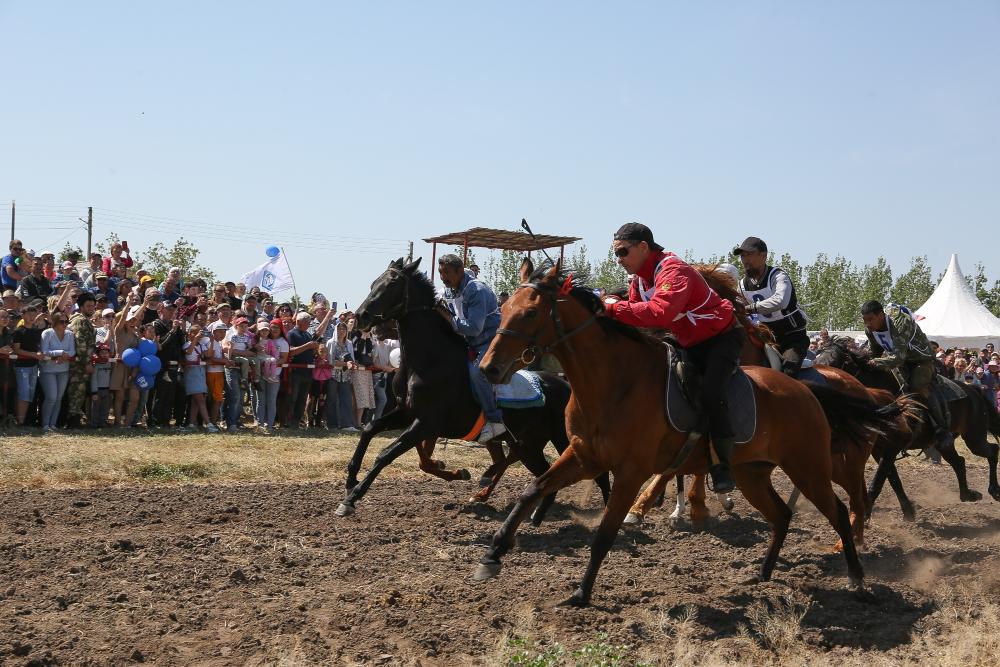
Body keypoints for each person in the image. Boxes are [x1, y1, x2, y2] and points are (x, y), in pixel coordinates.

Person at [604, 223, 739, 492]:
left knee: (712, 392)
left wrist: (611, 307)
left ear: (643, 247)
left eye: (622, 252)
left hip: (719, 341)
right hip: (688, 341)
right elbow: (634, 313)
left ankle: (721, 464)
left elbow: (659, 313)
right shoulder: (641, 280)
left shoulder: (673, 270)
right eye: (616, 254)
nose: (619, 260)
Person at [861, 300, 952, 451]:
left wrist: (874, 362)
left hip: (922, 359)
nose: (868, 324)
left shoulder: (899, 323)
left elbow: (898, 357)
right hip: (901, 362)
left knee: (916, 385)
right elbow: (874, 353)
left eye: (870, 319)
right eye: (865, 320)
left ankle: (941, 428)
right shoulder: (869, 329)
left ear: (881, 315)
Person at [437, 253, 506, 443]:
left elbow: (474, 329)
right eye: (440, 273)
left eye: (447, 273)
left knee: (478, 372)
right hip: (469, 342)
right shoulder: (449, 289)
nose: (443, 277)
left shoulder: (476, 290)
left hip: (490, 341)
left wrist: (448, 317)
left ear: (460, 271)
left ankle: (495, 421)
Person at [734, 236, 809, 377]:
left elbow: (781, 301)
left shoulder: (778, 276)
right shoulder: (742, 285)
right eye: (743, 256)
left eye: (749, 254)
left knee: (788, 373)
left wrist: (750, 308)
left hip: (792, 338)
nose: (745, 260)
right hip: (766, 338)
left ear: (763, 255)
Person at [39, 312, 75, 432]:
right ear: (54, 322)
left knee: (59, 398)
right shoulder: (47, 333)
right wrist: (60, 353)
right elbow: (45, 351)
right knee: (51, 397)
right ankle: (45, 425)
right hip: (48, 370)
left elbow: (72, 351)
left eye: (66, 321)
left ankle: (53, 424)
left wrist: (63, 355)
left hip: (63, 370)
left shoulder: (70, 334)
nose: (65, 324)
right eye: (61, 321)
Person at [11, 300, 45, 425]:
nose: (31, 316)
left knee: (29, 394)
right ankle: (19, 421)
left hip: (33, 366)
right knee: (24, 393)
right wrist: (34, 355)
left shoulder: (36, 331)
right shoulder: (19, 331)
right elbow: (17, 349)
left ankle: (22, 420)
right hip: (21, 367)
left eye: (33, 314)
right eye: (29, 314)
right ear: (23, 315)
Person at [66, 292, 97, 427]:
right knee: (76, 393)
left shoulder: (85, 320)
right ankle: (72, 423)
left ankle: (74, 420)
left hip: (80, 363)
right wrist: (86, 363)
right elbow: (80, 343)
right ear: (81, 307)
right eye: (88, 306)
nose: (91, 308)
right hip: (78, 365)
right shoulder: (80, 321)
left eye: (93, 306)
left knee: (79, 392)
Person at [287, 311, 321, 429]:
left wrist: (315, 349)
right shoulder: (292, 334)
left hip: (307, 372)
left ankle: (297, 422)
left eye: (309, 322)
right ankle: (289, 421)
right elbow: (290, 351)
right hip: (296, 371)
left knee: (302, 399)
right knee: (293, 398)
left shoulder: (307, 335)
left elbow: (311, 349)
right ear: (298, 321)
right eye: (306, 322)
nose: (308, 324)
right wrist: (307, 346)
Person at [255, 320, 288, 433]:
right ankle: (259, 424)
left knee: (271, 401)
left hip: (274, 375)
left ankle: (269, 425)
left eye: (276, 328)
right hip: (260, 373)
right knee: (261, 400)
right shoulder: (259, 339)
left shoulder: (283, 342)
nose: (274, 330)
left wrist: (270, 364)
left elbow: (284, 358)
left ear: (281, 329)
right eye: (272, 327)